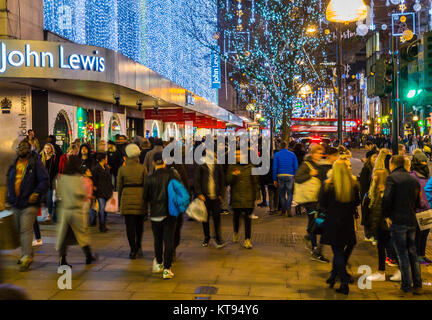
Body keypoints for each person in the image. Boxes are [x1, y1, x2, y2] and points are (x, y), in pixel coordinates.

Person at [6, 140, 49, 271]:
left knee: (25, 230)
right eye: (19, 147)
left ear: (29, 149)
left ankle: (26, 258)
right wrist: (8, 197)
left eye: (23, 147)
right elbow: (10, 180)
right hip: (16, 202)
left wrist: (36, 193)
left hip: (30, 203)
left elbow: (44, 179)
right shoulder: (14, 164)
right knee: (19, 230)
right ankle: (27, 254)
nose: (21, 149)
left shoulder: (35, 163)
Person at [382, 155, 423, 295]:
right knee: (412, 252)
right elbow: (418, 202)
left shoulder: (392, 178)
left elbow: (387, 199)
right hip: (411, 219)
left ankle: (406, 285)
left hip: (398, 220)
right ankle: (418, 283)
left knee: (402, 254)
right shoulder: (413, 179)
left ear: (392, 164)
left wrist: (386, 215)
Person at [319, 160, 361, 295]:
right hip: (347, 222)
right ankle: (332, 277)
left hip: (332, 222)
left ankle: (343, 282)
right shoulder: (353, 184)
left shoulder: (328, 185)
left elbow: (322, 203)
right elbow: (357, 202)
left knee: (337, 253)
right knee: (341, 252)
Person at [143, 152, 181, 279]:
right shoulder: (172, 176)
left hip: (155, 213)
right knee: (168, 240)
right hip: (170, 213)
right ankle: (167, 269)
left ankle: (159, 263)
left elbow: (145, 197)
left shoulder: (149, 178)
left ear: (153, 163)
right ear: (165, 161)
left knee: (157, 239)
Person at [56, 156, 97, 267]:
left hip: (64, 210)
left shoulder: (62, 178)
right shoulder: (77, 178)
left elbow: (58, 194)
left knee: (63, 237)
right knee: (82, 234)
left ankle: (62, 259)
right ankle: (88, 256)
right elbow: (80, 193)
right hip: (76, 210)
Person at [295, 144, 329, 262]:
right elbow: (298, 178)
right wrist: (310, 174)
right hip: (309, 199)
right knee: (314, 220)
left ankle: (310, 237)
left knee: (316, 221)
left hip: (317, 198)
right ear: (312, 153)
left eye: (321, 153)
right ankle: (314, 247)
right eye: (318, 153)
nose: (320, 155)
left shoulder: (320, 165)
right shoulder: (306, 165)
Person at [117, 144, 148, 259]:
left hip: (127, 197)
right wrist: (146, 200)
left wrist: (120, 201)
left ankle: (132, 249)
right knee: (139, 225)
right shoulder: (142, 168)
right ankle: (139, 245)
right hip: (140, 198)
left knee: (129, 226)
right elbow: (146, 185)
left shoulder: (122, 169)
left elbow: (119, 186)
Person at [226, 150, 259, 249]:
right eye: (236, 154)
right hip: (236, 197)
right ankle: (236, 232)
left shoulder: (251, 167)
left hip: (248, 198)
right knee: (236, 218)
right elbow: (227, 181)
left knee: (247, 220)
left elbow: (255, 183)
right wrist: (233, 175)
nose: (238, 156)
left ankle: (247, 240)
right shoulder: (232, 166)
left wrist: (256, 197)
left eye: (240, 154)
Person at [194, 150, 227, 248]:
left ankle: (218, 237)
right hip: (205, 197)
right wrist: (199, 193)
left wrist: (221, 194)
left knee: (217, 217)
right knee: (205, 218)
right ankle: (207, 237)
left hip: (216, 196)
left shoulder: (217, 165)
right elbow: (197, 180)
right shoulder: (201, 165)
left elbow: (222, 180)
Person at [366, 169, 391, 282]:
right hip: (382, 225)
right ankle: (383, 271)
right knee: (384, 248)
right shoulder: (379, 190)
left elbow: (378, 212)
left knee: (384, 248)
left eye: (375, 175)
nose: (373, 176)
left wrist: (374, 228)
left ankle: (382, 272)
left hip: (383, 226)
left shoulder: (382, 192)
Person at [411, 152, 432, 265]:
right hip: (417, 210)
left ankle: (422, 254)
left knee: (425, 234)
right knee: (418, 235)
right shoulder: (413, 176)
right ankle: (417, 256)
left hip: (427, 210)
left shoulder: (426, 175)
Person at [273, 141, 299, 216]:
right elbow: (295, 166)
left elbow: (275, 167)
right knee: (290, 194)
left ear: (280, 146)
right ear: (286, 146)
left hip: (280, 175)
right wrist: (295, 176)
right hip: (290, 175)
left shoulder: (277, 154)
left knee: (282, 194)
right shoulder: (292, 154)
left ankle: (283, 210)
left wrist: (274, 179)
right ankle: (289, 210)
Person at [91, 152, 113, 233]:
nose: (107, 159)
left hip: (107, 191)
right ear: (103, 159)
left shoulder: (106, 168)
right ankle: (102, 225)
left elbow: (109, 180)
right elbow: (94, 180)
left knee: (105, 209)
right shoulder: (96, 168)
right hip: (100, 191)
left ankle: (103, 224)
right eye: (106, 158)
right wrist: (94, 190)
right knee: (102, 209)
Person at [40, 143, 58, 223]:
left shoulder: (54, 158)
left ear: (51, 149)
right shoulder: (40, 158)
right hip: (42, 182)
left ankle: (49, 214)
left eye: (48, 148)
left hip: (51, 181)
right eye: (45, 148)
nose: (47, 150)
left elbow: (56, 170)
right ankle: (45, 213)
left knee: (49, 199)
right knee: (43, 199)